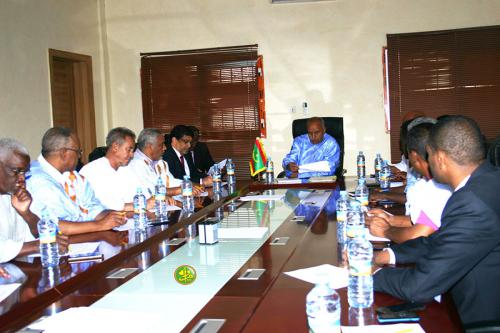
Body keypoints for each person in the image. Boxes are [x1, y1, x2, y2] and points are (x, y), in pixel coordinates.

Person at [373, 116, 500, 325]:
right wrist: (387, 255)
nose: (428, 162)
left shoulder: (472, 203)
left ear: (440, 158)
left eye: (429, 154)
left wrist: (368, 274)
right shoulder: (486, 182)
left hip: (472, 317)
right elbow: (439, 241)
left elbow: (418, 286)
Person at [27, 127, 126, 235]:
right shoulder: (37, 181)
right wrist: (100, 225)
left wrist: (112, 216)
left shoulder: (73, 176)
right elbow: (51, 225)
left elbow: (92, 206)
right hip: (55, 245)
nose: (80, 156)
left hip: (83, 240)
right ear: (64, 153)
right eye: (78, 152)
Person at [367, 122, 452, 243]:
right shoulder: (427, 183)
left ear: (414, 156)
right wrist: (389, 219)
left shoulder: (440, 188)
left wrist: (385, 231)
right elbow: (425, 220)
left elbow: (419, 233)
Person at [0, 138, 68, 263]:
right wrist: (38, 245)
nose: (22, 179)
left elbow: (38, 235)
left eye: (24, 173)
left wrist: (26, 213)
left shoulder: (13, 195)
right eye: (16, 171)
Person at [80, 127, 154, 211]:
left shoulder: (127, 169)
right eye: (129, 149)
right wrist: (141, 205)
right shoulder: (93, 170)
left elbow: (144, 195)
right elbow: (106, 206)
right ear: (115, 147)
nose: (132, 155)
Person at [128, 128, 200, 197]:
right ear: (150, 146)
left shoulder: (160, 162)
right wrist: (179, 190)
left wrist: (191, 185)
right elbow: (151, 191)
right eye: (161, 145)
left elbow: (171, 182)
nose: (165, 148)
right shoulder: (134, 164)